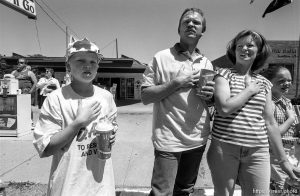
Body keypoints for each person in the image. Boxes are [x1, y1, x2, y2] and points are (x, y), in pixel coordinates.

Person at [207, 30, 298, 196]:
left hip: (258, 151)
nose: (244, 49)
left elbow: (270, 123)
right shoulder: (223, 75)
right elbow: (224, 108)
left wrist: (283, 160)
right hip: (225, 148)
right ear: (234, 51)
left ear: (259, 51)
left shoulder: (265, 83)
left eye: (250, 45)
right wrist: (250, 90)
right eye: (239, 46)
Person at [141, 8, 214, 196]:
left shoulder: (207, 63)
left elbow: (209, 102)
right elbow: (145, 96)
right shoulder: (162, 57)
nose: (191, 24)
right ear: (179, 29)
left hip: (198, 138)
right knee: (161, 192)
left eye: (196, 22)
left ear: (202, 31)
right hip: (168, 139)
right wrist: (176, 83)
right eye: (186, 21)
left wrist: (210, 96)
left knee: (184, 190)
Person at [33, 38, 118, 196]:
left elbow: (112, 128)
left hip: (101, 185)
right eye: (80, 60)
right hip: (68, 186)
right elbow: (45, 148)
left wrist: (111, 136)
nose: (88, 65)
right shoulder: (56, 99)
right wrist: (77, 123)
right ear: (68, 66)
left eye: (93, 62)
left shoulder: (106, 97)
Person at [262, 66, 300, 191]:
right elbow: (273, 133)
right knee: (279, 188)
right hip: (275, 154)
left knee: (290, 188)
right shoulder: (268, 104)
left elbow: (293, 129)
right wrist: (290, 119)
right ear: (269, 82)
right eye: (281, 81)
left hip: (290, 152)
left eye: (289, 80)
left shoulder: (287, 101)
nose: (287, 83)